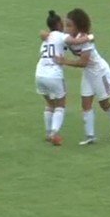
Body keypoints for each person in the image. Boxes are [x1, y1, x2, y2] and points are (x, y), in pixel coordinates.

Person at [53, 8, 110, 145]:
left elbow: (83, 62)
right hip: (88, 73)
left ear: (78, 26)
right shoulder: (69, 38)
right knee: (85, 104)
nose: (66, 28)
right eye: (65, 24)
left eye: (69, 25)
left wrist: (64, 61)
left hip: (100, 72)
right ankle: (90, 136)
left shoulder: (84, 40)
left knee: (104, 104)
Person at [35, 11, 69, 146]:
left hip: (39, 74)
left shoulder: (46, 39)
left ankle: (49, 133)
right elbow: (73, 41)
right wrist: (90, 37)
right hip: (53, 75)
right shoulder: (62, 36)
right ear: (58, 24)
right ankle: (54, 133)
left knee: (50, 104)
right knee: (60, 104)